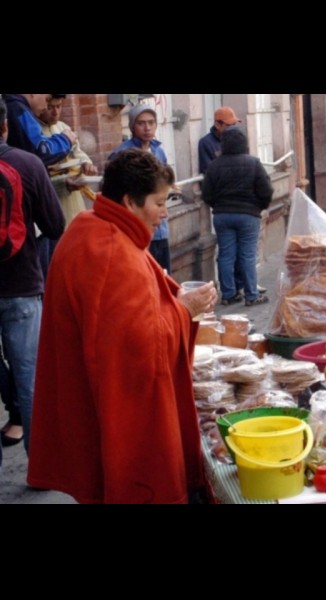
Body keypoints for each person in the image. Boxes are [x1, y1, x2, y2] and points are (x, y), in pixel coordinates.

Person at [27, 149, 217, 503]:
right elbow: (141, 349)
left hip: (84, 401)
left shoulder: (90, 226)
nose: (164, 213)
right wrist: (184, 310)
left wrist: (169, 297)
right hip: (118, 417)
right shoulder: (113, 251)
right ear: (130, 201)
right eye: (159, 203)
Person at [0, 97, 65, 461]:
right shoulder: (28, 163)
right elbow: (55, 225)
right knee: (30, 377)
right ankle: (40, 463)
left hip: (20, 287)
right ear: (5, 126)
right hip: (22, 284)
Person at [202, 126, 272, 306]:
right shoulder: (254, 163)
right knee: (247, 255)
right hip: (249, 215)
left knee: (226, 255)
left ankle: (228, 294)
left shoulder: (214, 165)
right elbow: (266, 190)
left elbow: (206, 194)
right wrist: (259, 207)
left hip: (222, 215)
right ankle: (251, 295)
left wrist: (218, 206)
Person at [36, 94, 99, 280]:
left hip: (75, 203)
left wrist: (86, 163)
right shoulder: (34, 135)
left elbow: (78, 153)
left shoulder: (64, 128)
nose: (55, 112)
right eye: (50, 107)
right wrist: (64, 184)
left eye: (59, 106)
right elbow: (39, 179)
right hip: (53, 205)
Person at [110, 104, 172, 273]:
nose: (147, 128)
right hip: (136, 227)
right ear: (132, 127)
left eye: (151, 123)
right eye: (141, 123)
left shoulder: (158, 151)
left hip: (159, 227)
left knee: (163, 275)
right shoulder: (123, 154)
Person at [1, 94, 75, 166]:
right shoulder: (19, 110)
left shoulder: (10, 104)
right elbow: (41, 151)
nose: (45, 107)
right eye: (47, 99)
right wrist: (66, 139)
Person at [198, 106, 240, 175]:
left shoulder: (238, 140)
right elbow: (208, 170)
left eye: (234, 124)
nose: (233, 128)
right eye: (229, 125)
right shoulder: (206, 143)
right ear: (217, 125)